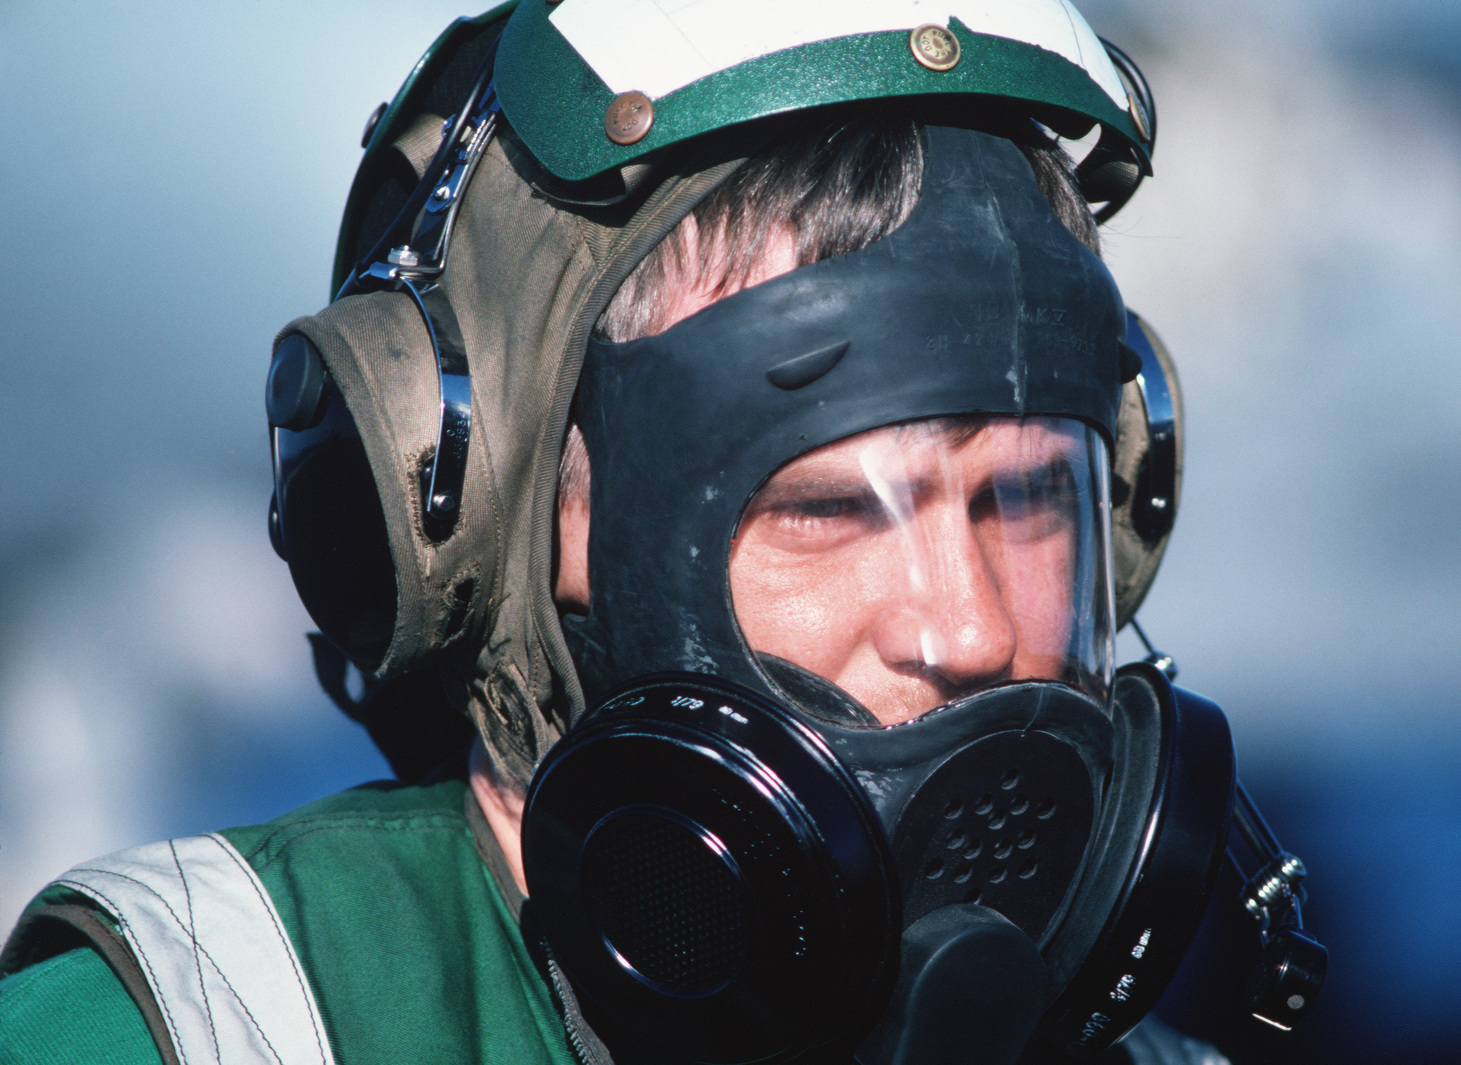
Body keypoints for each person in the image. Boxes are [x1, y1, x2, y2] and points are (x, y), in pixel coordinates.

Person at [0, 2, 1316, 1063]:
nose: (968, 625)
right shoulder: (187, 1024)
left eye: (1024, 500)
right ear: (495, 536)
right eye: (822, 508)